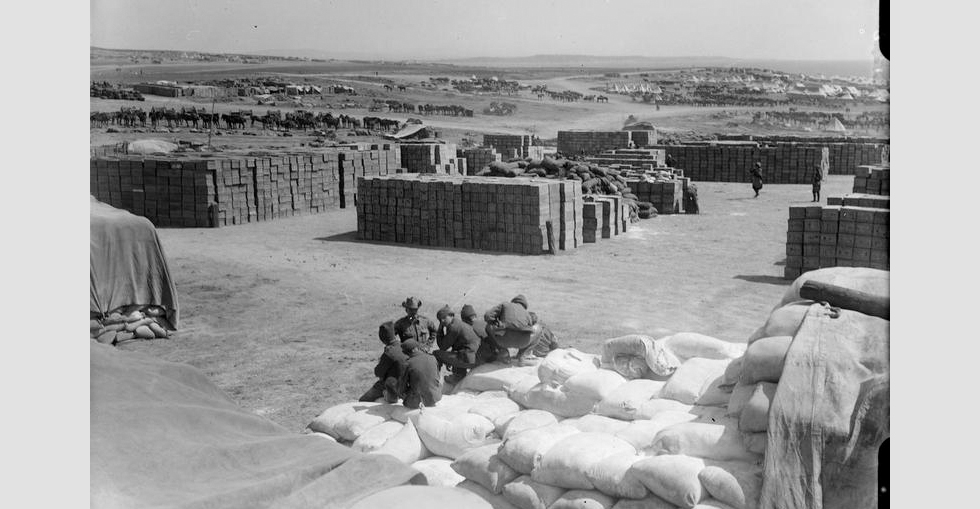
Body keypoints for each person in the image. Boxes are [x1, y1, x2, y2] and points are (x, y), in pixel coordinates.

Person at [359, 321, 408, 403]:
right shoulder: (404, 346)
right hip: (406, 383)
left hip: (392, 386)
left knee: (363, 400)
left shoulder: (389, 353)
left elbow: (378, 373)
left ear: (382, 338)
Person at [433, 305, 483, 385]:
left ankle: (435, 381)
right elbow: (457, 346)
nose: (442, 321)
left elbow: (442, 346)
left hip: (469, 359)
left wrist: (440, 330)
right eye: (439, 319)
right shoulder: (458, 324)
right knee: (458, 352)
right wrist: (450, 361)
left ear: (451, 316)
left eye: (444, 318)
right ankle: (458, 375)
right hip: (473, 357)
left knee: (436, 354)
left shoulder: (454, 327)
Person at [484, 295, 539, 366]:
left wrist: (496, 323)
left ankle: (503, 352)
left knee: (488, 326)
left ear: (513, 301)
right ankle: (523, 356)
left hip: (503, 340)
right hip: (523, 342)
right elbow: (530, 328)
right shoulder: (526, 313)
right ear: (524, 305)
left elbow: (488, 316)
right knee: (539, 328)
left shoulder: (505, 305)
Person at [397, 338, 442, 408]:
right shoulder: (432, 357)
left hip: (418, 401)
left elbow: (402, 388)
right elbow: (438, 377)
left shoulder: (407, 364)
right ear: (417, 348)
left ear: (406, 352)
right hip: (435, 397)